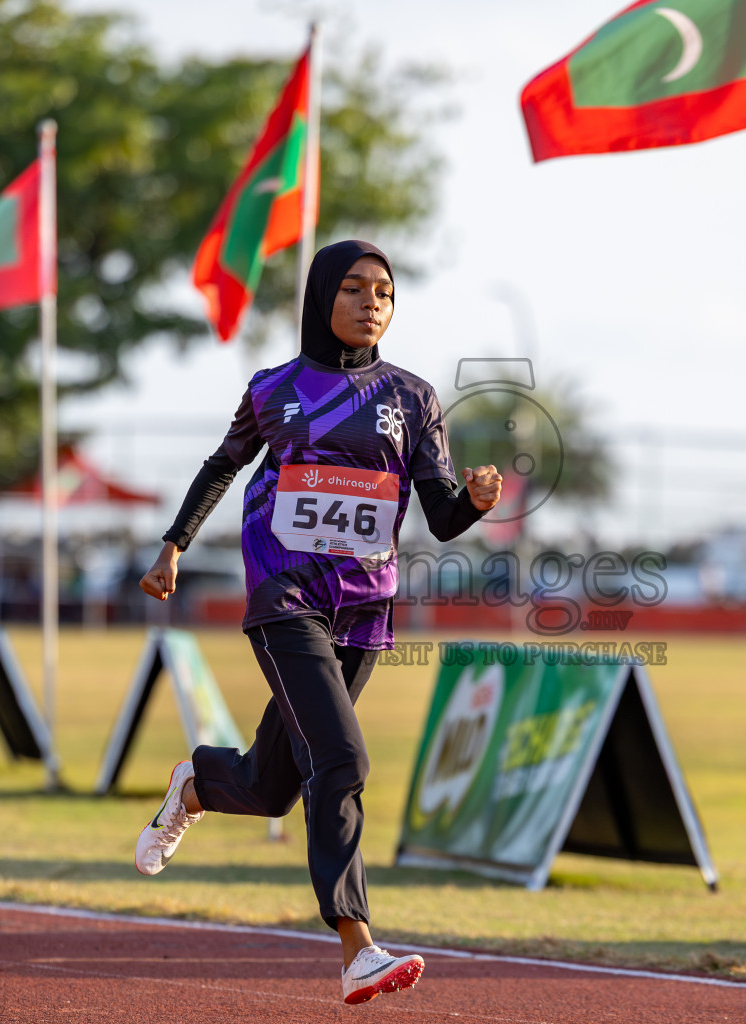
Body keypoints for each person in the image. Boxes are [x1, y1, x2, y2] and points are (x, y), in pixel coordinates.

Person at [134, 239, 502, 1006]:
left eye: (385, 293)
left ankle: (197, 783)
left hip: (362, 608)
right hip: (285, 594)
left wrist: (473, 502)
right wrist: (174, 545)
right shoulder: (275, 389)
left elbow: (440, 516)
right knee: (341, 759)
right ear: (321, 296)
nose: (372, 303)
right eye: (355, 288)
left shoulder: (413, 398)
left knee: (273, 786)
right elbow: (223, 465)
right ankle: (356, 947)